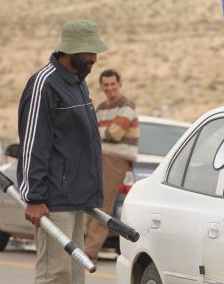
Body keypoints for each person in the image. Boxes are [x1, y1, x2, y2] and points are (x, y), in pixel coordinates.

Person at [17, 19, 107, 284]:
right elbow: (34, 142)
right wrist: (34, 196)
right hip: (53, 199)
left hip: (77, 197)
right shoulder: (44, 84)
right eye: (89, 52)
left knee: (75, 276)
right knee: (55, 275)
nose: (94, 58)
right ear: (71, 50)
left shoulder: (78, 84)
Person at [84, 69, 139, 262]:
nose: (109, 88)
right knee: (89, 202)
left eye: (112, 84)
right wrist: (100, 132)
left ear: (119, 84)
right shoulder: (100, 107)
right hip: (98, 157)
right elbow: (91, 133)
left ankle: (89, 252)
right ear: (101, 87)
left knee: (103, 205)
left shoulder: (127, 105)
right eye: (105, 85)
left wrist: (99, 132)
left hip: (115, 159)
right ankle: (83, 247)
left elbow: (115, 133)